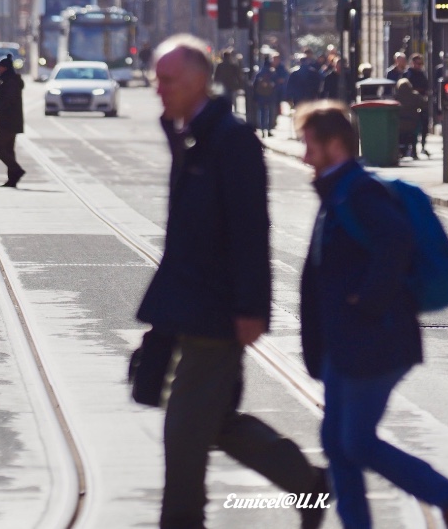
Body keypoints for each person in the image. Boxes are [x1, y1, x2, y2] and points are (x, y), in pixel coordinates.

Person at [136, 36, 327, 529]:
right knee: (214, 421)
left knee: (184, 428)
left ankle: (181, 521)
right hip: (185, 302)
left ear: (200, 80)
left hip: (216, 309)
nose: (160, 90)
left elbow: (250, 227)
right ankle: (310, 486)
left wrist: (252, 307)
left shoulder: (231, 139)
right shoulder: (193, 135)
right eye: (158, 79)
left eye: (169, 80)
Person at [295, 102, 448, 529]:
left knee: (355, 442)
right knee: (337, 444)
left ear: (335, 144)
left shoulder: (359, 192)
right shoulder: (338, 190)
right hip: (351, 341)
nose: (305, 155)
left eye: (310, 145)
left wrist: (366, 303)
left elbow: (395, 240)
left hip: (374, 339)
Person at [0, 55, 26, 187]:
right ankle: (12, 179)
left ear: (5, 68)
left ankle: (17, 170)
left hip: (8, 121)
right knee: (9, 150)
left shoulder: (10, 82)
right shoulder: (9, 80)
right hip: (10, 121)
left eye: (0, 66)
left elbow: (6, 102)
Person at [393, 75, 427, 160]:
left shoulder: (396, 96)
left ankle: (399, 152)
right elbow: (423, 105)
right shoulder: (415, 95)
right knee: (414, 136)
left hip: (400, 123)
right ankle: (414, 152)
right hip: (413, 123)